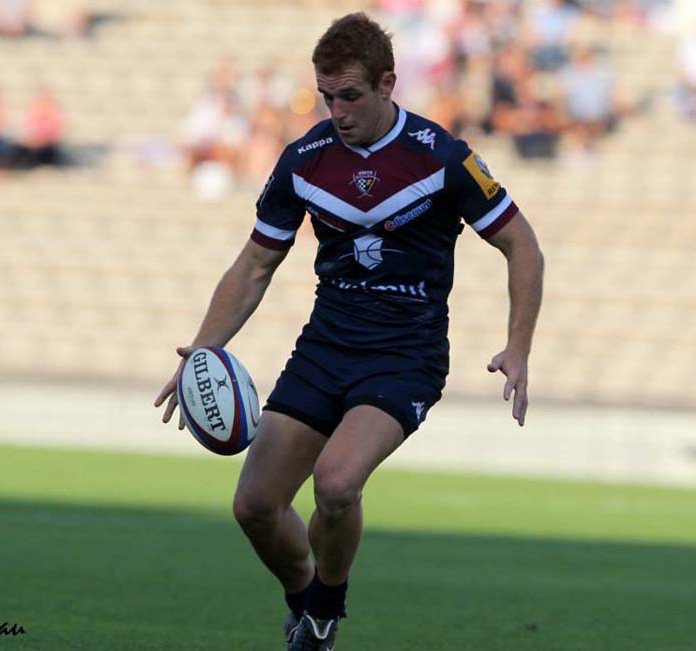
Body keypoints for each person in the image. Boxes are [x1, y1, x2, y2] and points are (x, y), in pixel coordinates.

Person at [155, 13, 544, 650]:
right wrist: (204, 349)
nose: (336, 111)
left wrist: (519, 345)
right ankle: (305, 593)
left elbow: (522, 246)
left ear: (388, 83)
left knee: (336, 484)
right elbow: (255, 264)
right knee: (253, 505)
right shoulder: (303, 161)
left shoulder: (442, 156)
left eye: (351, 96)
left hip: (405, 353)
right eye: (326, 96)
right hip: (325, 346)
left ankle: (324, 616)